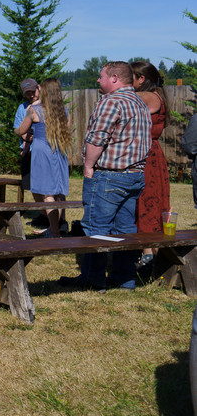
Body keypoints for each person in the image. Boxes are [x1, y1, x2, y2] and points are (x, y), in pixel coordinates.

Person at [60, 61, 151, 291]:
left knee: (95, 228)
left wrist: (89, 167)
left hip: (110, 176)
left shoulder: (111, 102)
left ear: (114, 78)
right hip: (134, 176)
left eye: (101, 76)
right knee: (125, 229)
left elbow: (96, 139)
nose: (97, 80)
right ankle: (125, 279)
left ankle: (93, 279)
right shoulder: (140, 103)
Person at [13, 78, 69, 238]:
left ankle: (54, 231)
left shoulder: (33, 110)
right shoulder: (64, 110)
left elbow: (21, 130)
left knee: (47, 194)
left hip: (42, 153)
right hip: (59, 151)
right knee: (58, 192)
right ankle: (59, 225)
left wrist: (19, 130)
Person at [131, 61, 170, 269]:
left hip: (145, 155)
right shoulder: (158, 95)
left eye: (131, 78)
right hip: (153, 153)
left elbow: (120, 99)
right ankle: (151, 250)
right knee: (153, 200)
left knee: (146, 201)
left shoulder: (145, 96)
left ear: (141, 79)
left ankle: (148, 254)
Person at [14, 78, 39, 192]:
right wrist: (23, 136)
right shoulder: (22, 107)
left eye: (32, 92)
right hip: (27, 150)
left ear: (38, 89)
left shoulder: (45, 106)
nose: (31, 95)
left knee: (42, 185)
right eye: (27, 93)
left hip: (41, 151)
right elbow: (16, 128)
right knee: (28, 185)